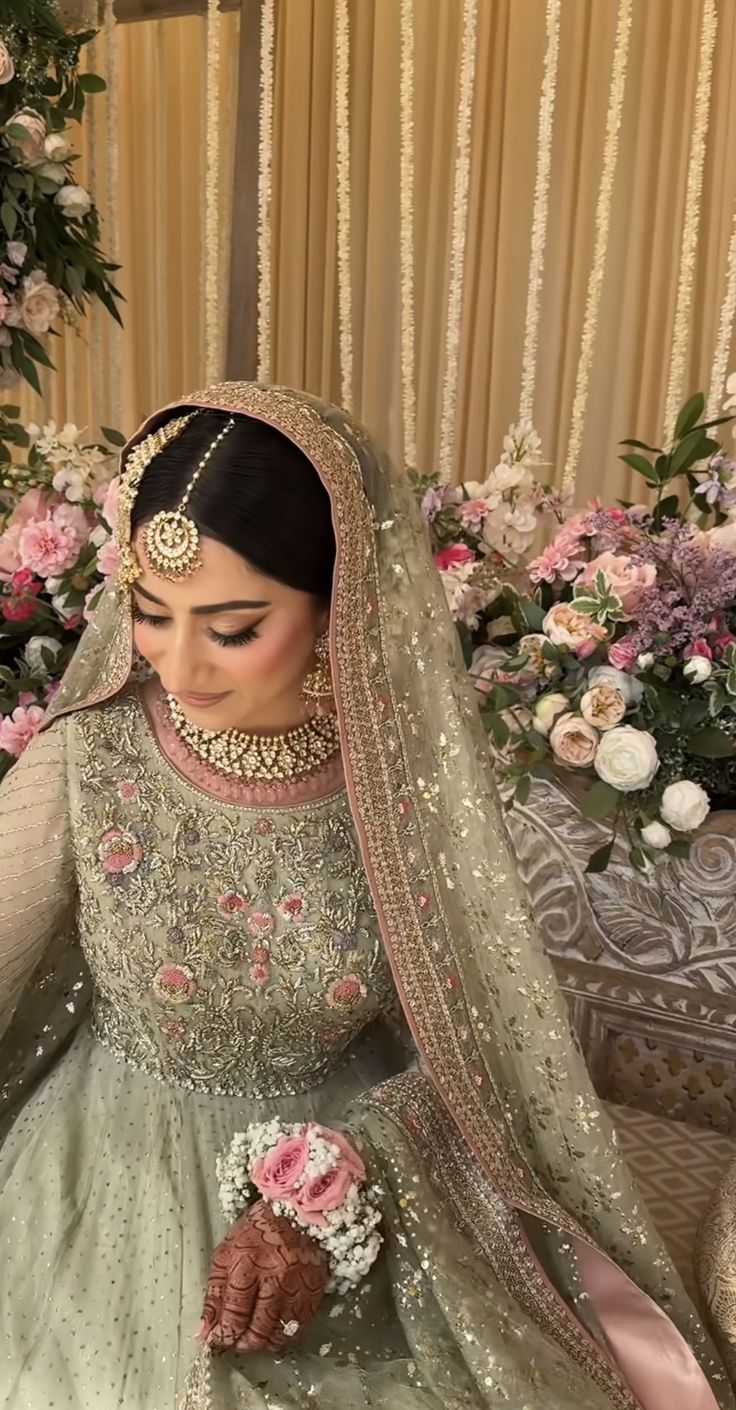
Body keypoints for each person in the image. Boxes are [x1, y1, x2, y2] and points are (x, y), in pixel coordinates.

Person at [0, 382, 730, 1410]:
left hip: (352, 1182)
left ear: (338, 603)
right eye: (153, 614)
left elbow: (476, 1054)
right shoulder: (90, 759)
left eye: (234, 626)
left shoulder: (399, 794)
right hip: (99, 1177)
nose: (178, 662)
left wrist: (336, 1183)